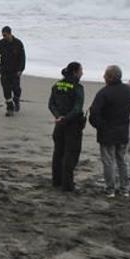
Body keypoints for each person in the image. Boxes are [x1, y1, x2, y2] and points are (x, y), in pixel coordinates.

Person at [89, 65, 130, 198]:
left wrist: (99, 126)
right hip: (122, 131)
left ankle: (110, 189)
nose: (103, 77)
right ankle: (124, 189)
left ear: (110, 77)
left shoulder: (104, 93)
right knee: (122, 160)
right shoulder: (127, 91)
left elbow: (94, 113)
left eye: (105, 75)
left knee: (108, 161)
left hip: (108, 132)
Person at [48, 62, 86, 192]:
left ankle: (56, 181)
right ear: (75, 72)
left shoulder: (57, 85)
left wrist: (58, 116)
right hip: (72, 125)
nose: (82, 73)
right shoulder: (77, 87)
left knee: (58, 153)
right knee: (71, 155)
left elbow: (51, 104)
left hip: (59, 124)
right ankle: (67, 185)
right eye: (81, 70)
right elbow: (77, 108)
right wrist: (66, 118)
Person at [0, 26, 26, 116]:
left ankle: (16, 100)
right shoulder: (0, 43)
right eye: (3, 35)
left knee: (16, 89)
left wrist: (21, 69)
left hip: (15, 71)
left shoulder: (18, 43)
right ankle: (10, 108)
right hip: (4, 71)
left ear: (10, 33)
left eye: (5, 35)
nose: (4, 37)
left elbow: (22, 58)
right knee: (6, 91)